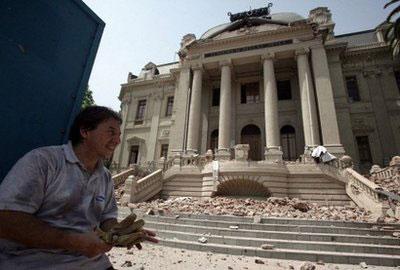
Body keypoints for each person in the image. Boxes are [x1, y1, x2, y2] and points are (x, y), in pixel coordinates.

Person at [0, 106, 157, 270]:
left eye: (119, 135)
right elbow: (5, 219)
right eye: (111, 132)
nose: (117, 140)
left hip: (91, 263)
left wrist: (118, 233)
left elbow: (106, 220)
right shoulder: (44, 161)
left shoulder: (104, 176)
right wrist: (72, 241)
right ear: (85, 131)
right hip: (34, 262)